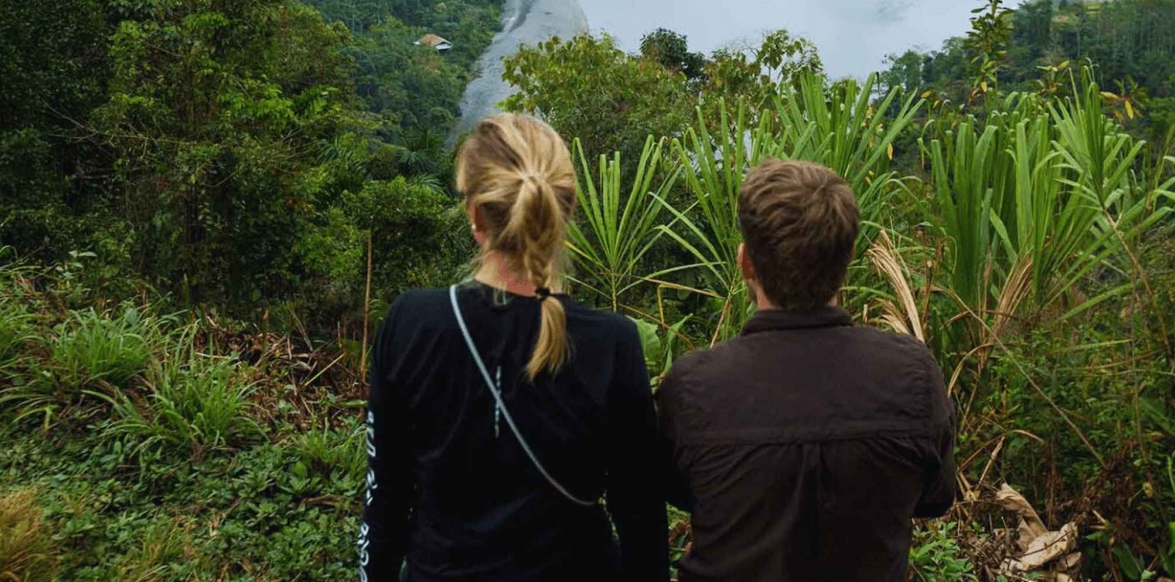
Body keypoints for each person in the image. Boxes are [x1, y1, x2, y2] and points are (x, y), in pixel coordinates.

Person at [358, 113, 668, 582]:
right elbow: (641, 521)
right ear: (567, 213)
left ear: (476, 216)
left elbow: (384, 505)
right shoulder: (612, 343)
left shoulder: (413, 324)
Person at [657, 158, 957, 582]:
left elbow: (682, 491)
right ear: (849, 257)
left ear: (746, 263)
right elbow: (934, 498)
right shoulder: (913, 377)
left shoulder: (693, 387)